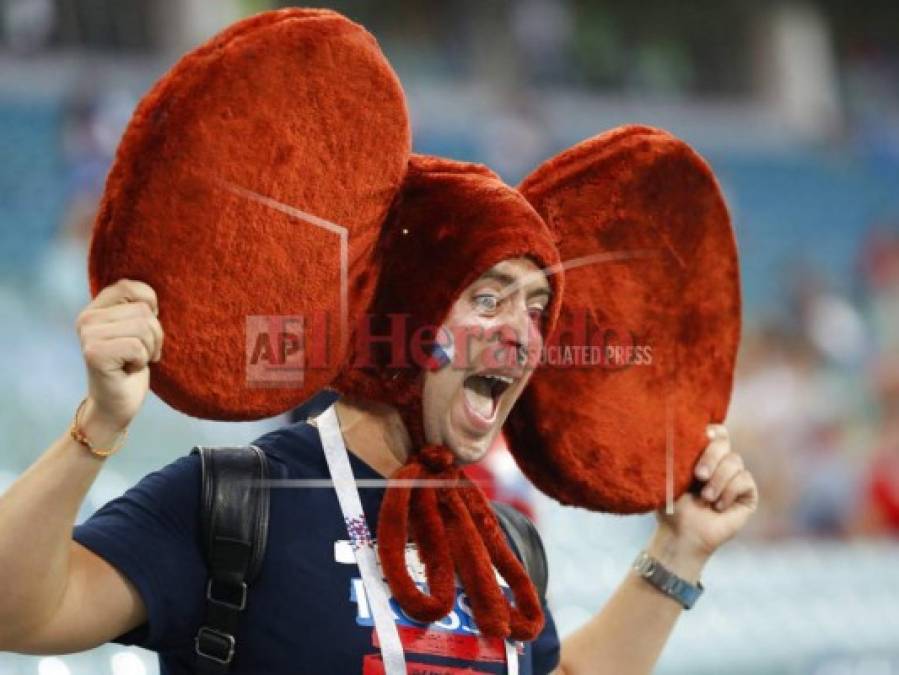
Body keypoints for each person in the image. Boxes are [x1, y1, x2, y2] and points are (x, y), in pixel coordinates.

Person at [0, 264, 758, 674]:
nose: (523, 332)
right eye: (487, 295)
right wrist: (97, 424)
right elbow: (18, 614)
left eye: (536, 307)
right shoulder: (236, 496)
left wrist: (678, 549)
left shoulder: (502, 541)